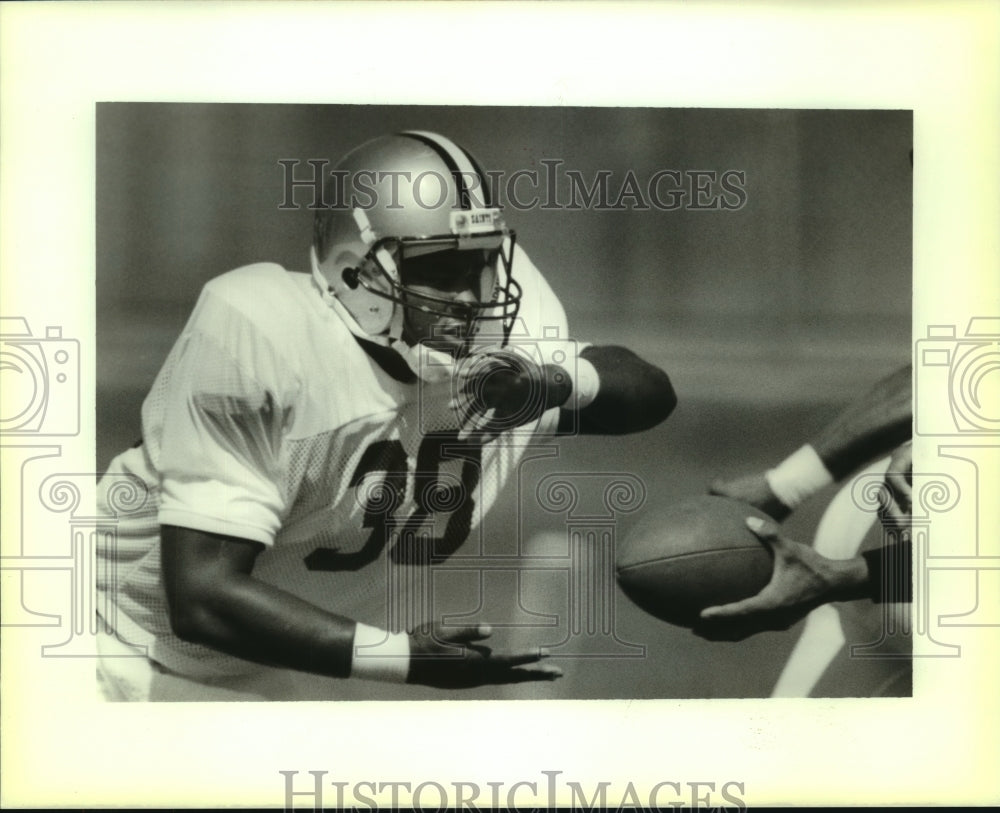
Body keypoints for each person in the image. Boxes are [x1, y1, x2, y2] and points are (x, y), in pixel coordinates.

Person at [95, 131, 676, 700]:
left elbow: (648, 393)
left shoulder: (495, 359)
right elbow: (202, 596)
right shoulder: (270, 338)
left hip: (241, 669)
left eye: (479, 267)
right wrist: (402, 659)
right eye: (441, 271)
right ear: (355, 271)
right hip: (96, 637)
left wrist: (550, 380)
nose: (473, 298)